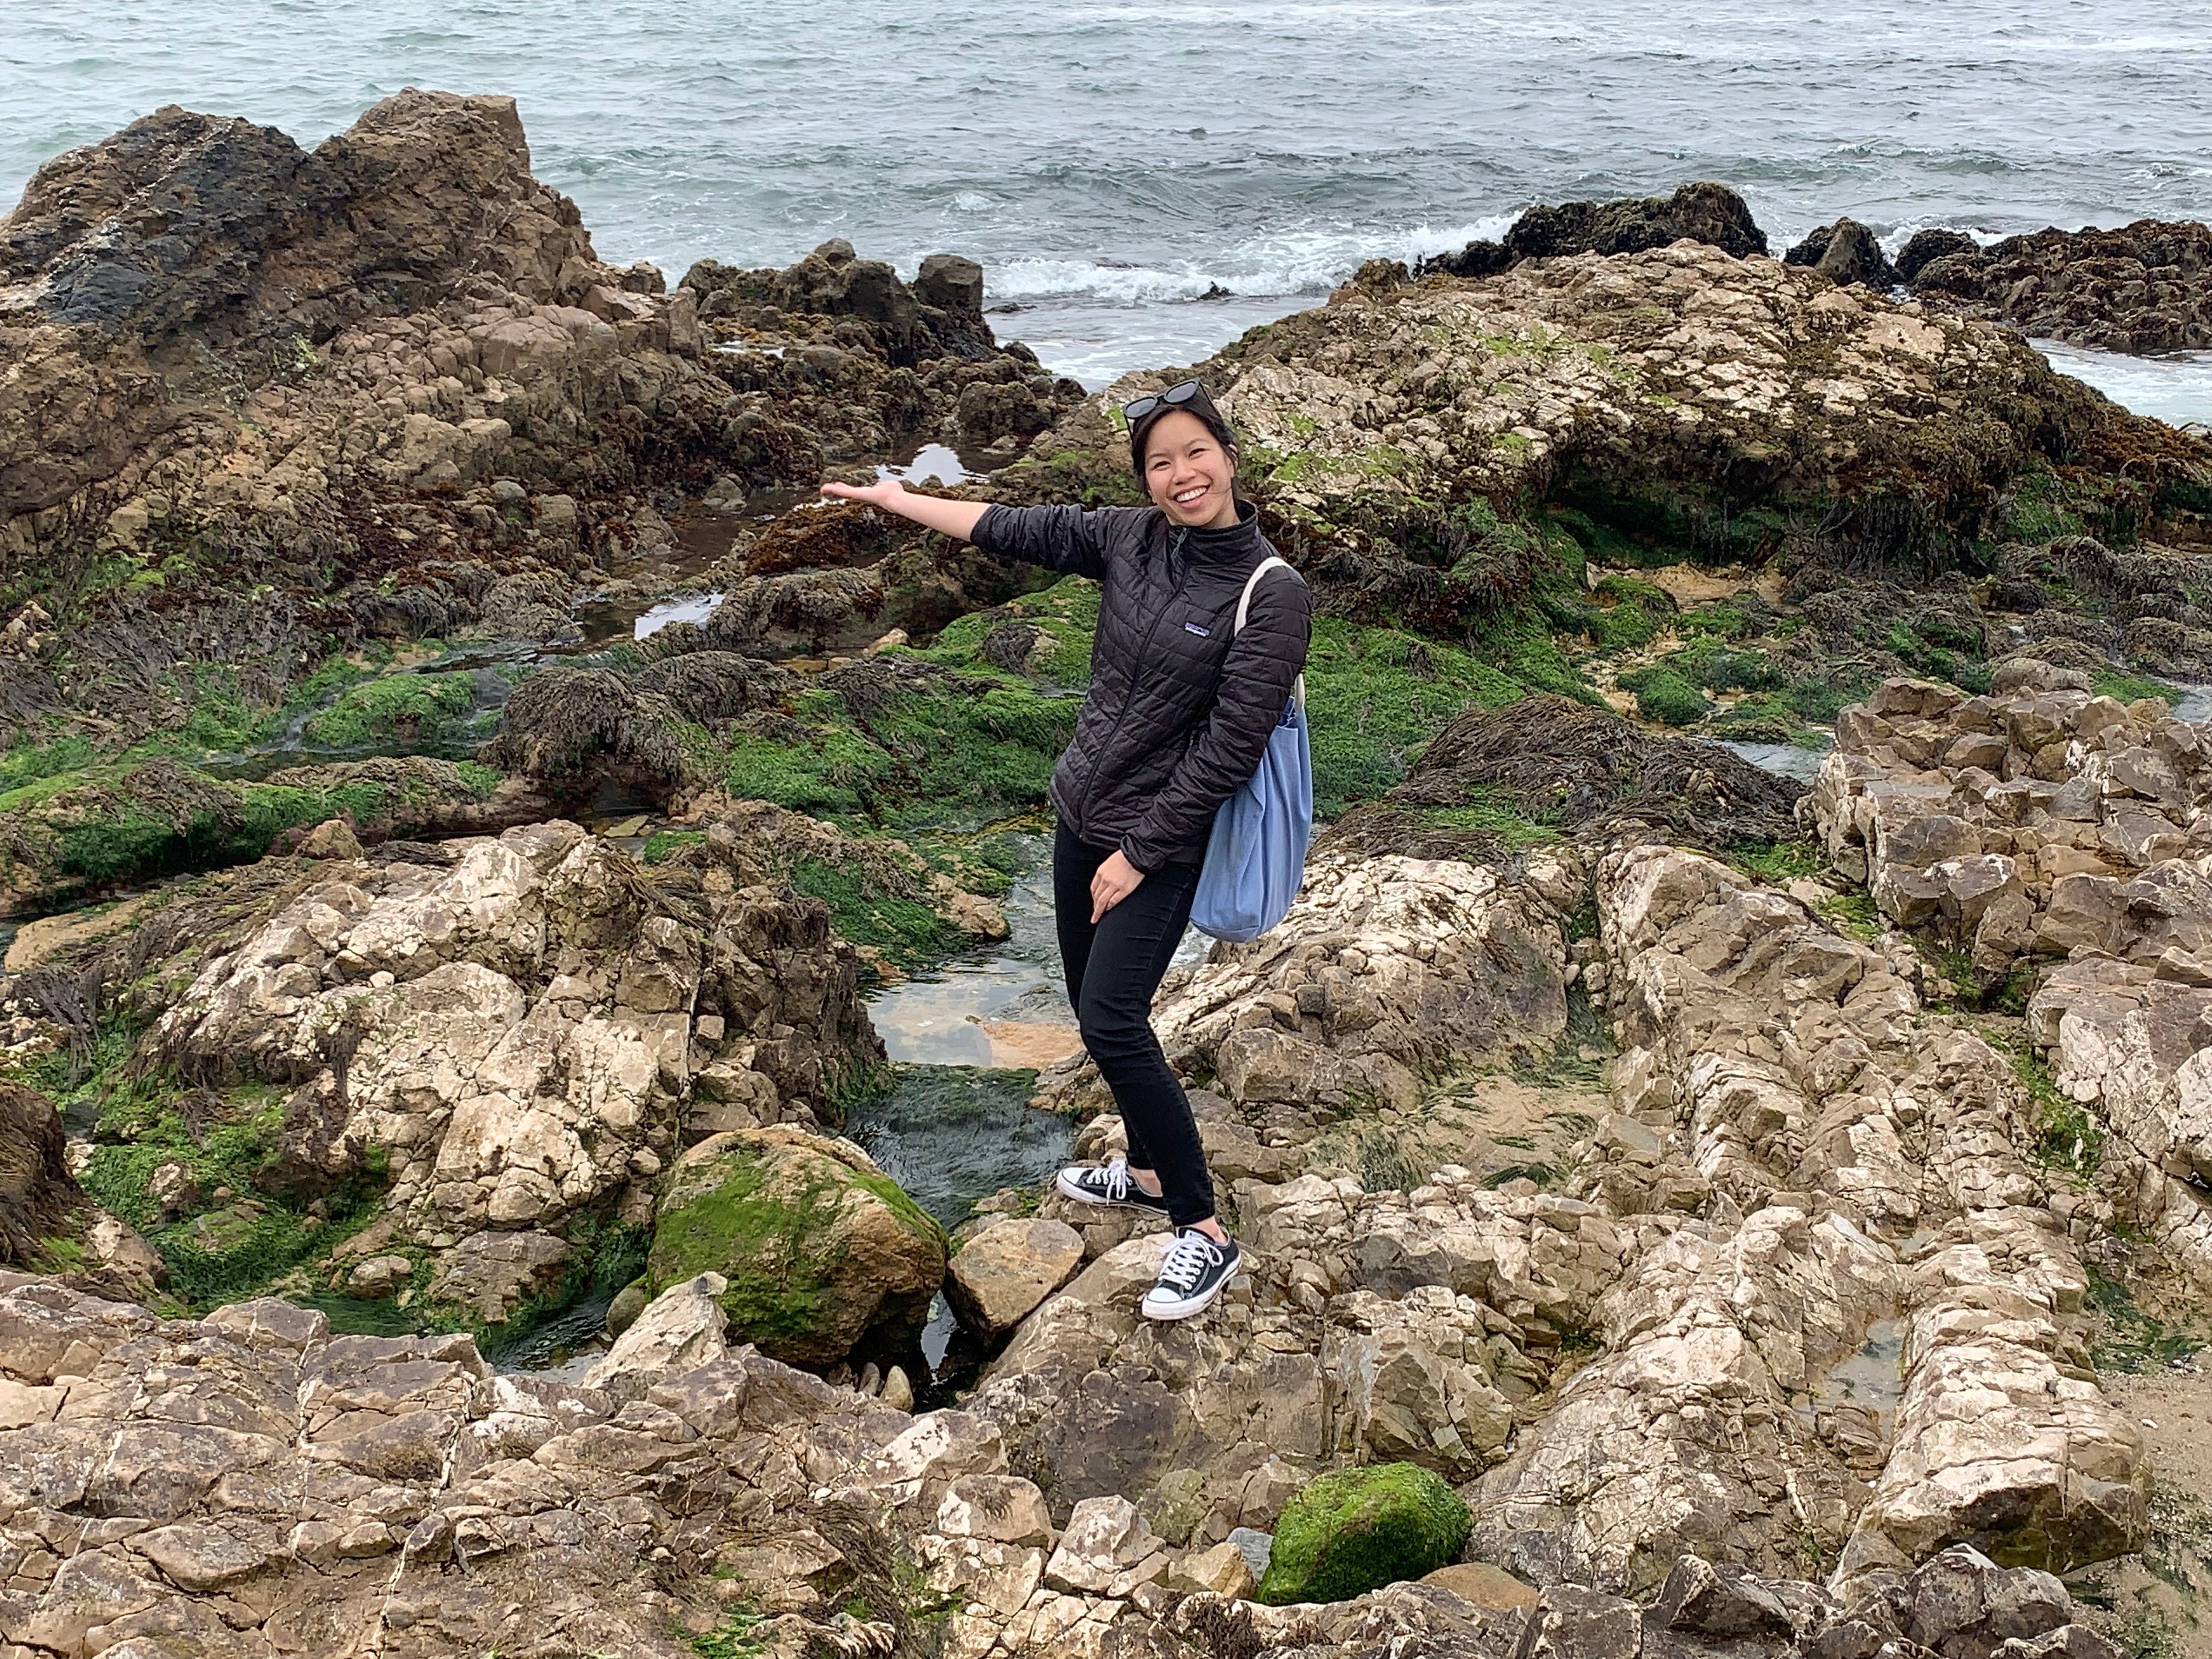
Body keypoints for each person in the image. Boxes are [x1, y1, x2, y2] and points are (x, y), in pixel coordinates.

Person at [822, 379, 1311, 1320]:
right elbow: (1010, 525)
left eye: (1195, 454)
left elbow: (1229, 748)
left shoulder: (1271, 593)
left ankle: (1202, 1230)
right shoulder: (1129, 541)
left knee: (1117, 1021)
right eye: (1160, 463)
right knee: (1094, 1020)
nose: (1181, 476)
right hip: (1079, 813)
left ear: (1228, 456)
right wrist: (897, 501)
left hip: (1157, 841)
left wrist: (1137, 853)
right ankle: (1149, 1172)